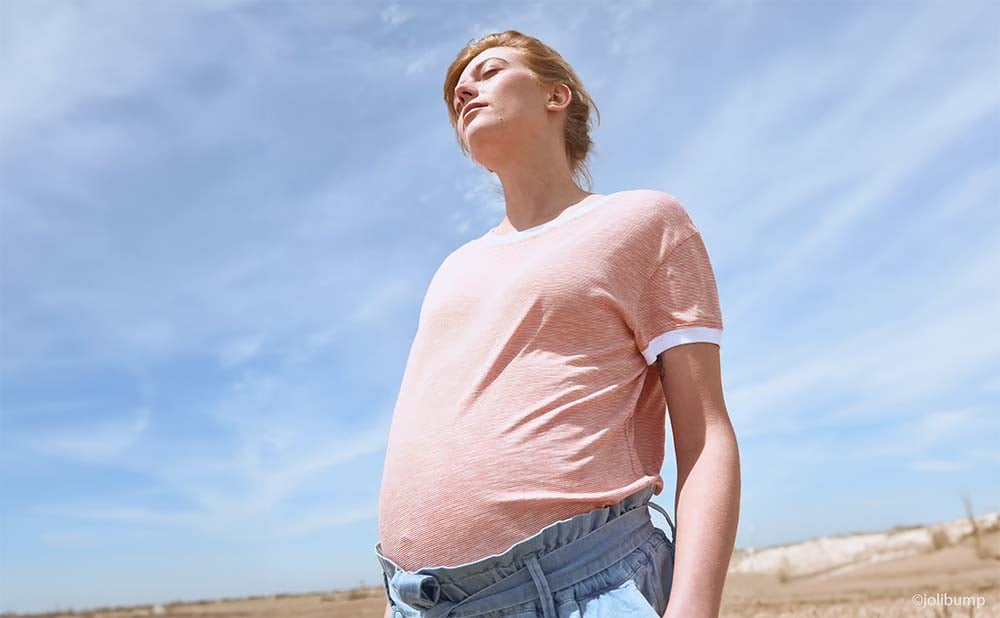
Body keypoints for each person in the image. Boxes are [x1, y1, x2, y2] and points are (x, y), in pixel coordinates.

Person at [375, 30, 740, 618]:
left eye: (489, 71)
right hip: (418, 602)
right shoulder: (452, 268)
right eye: (455, 93)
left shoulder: (644, 221)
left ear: (556, 95)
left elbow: (706, 436)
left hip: (577, 589)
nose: (465, 89)